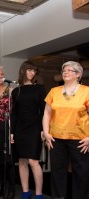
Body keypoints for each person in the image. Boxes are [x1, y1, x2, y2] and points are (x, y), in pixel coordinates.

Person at [42, 61, 89, 199]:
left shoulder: (86, 91)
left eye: (70, 70)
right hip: (56, 138)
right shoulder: (54, 91)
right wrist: (46, 132)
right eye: (64, 70)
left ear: (78, 74)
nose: (65, 72)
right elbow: (47, 114)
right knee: (57, 172)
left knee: (81, 173)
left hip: (80, 140)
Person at [11, 61, 45, 199]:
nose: (31, 73)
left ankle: (39, 194)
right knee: (23, 161)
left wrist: (43, 129)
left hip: (35, 128)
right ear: (23, 71)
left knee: (33, 161)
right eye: (29, 70)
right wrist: (12, 131)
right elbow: (14, 113)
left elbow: (44, 111)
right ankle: (25, 192)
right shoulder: (16, 91)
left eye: (33, 71)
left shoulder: (40, 89)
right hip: (20, 129)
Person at [0, 66, 15, 199]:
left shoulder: (11, 90)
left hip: (7, 127)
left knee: (8, 161)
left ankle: (11, 189)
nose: (0, 76)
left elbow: (16, 112)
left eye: (2, 74)